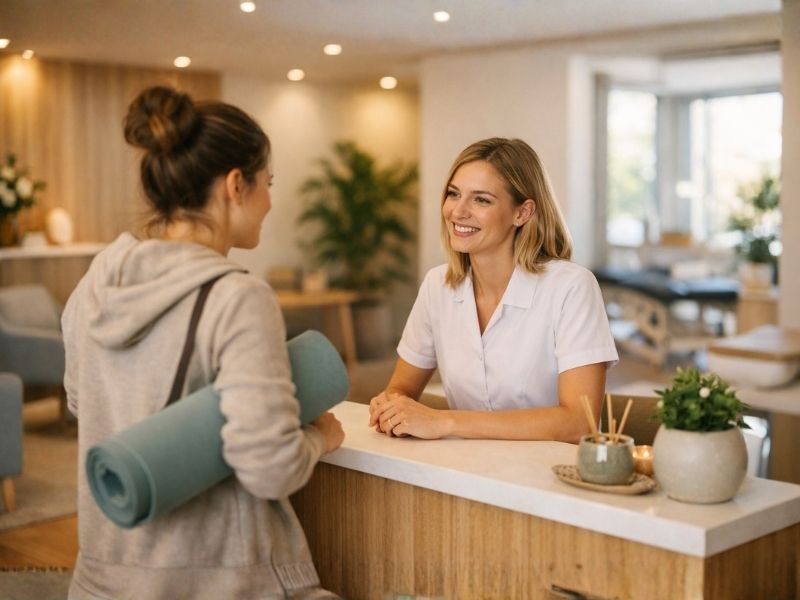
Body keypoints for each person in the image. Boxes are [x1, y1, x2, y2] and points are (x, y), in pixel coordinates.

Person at [63, 86, 344, 600]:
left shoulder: (96, 281)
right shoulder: (237, 297)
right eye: (268, 184)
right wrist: (322, 437)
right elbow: (270, 468)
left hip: (100, 579)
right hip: (215, 582)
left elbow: (85, 404)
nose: (270, 202)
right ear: (235, 185)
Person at [369, 137, 618, 443]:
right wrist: (390, 404)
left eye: (481, 200)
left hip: (551, 476)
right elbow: (401, 389)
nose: (457, 211)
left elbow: (580, 422)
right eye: (453, 194)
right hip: (469, 470)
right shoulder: (438, 286)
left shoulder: (571, 287)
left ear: (522, 213)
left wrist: (446, 421)